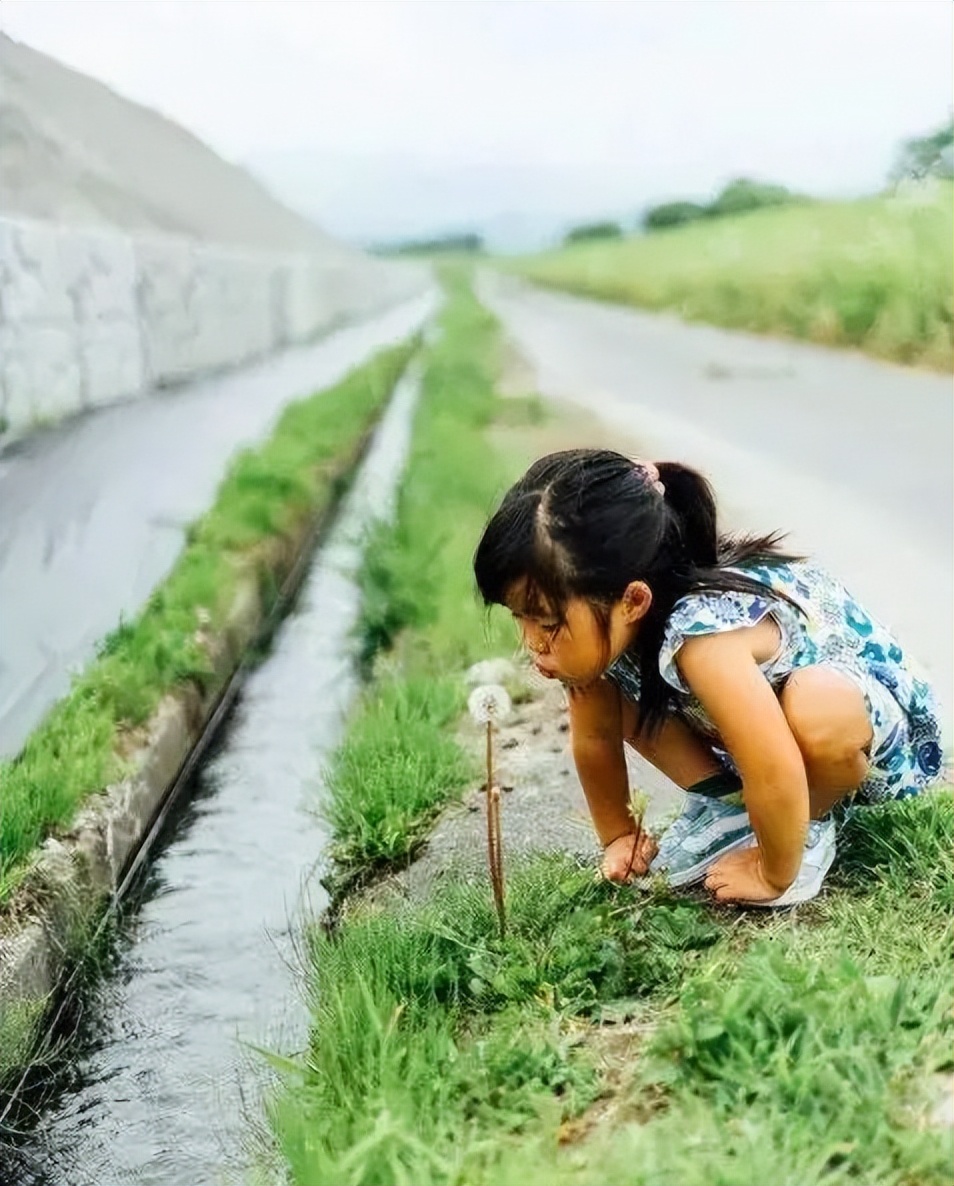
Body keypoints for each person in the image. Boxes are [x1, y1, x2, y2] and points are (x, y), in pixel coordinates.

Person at [473, 449, 943, 907]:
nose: (532, 642)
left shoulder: (706, 636)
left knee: (816, 704)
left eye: (548, 624)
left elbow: (771, 761)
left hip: (868, 733)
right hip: (762, 737)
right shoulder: (603, 631)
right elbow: (595, 739)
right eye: (520, 618)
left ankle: (809, 827)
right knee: (602, 679)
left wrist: (771, 871)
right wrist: (619, 835)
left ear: (633, 600)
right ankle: (729, 807)